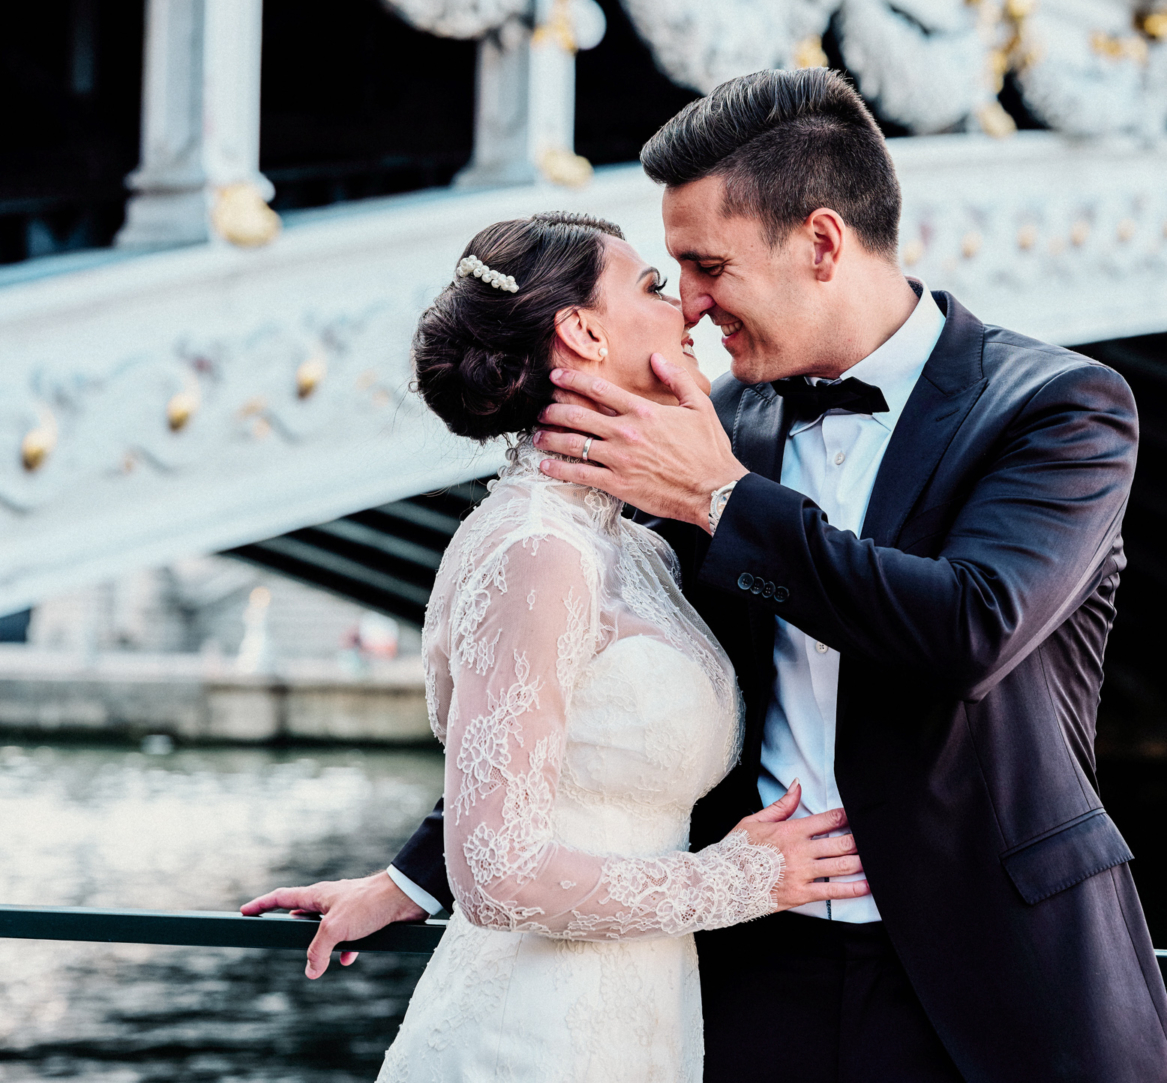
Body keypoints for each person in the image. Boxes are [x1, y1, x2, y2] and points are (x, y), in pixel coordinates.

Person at [527, 70, 1167, 1082]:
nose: (687, 306)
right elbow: (593, 663)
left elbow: (972, 629)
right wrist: (415, 874)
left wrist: (725, 504)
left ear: (821, 242)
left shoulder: (1062, 408)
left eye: (705, 265)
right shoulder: (723, 425)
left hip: (1002, 971)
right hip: (756, 961)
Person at [241, 208, 874, 1082]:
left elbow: (554, 762)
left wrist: (403, 884)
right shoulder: (539, 550)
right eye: (652, 286)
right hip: (532, 1034)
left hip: (642, 1013)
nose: (684, 309)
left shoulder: (635, 546)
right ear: (579, 332)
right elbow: (498, 871)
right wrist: (739, 880)